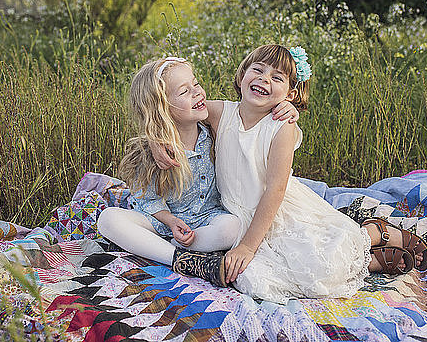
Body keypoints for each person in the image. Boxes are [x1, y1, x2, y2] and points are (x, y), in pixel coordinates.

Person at [153, 45, 427, 303]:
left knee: (316, 264)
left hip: (277, 211)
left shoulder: (281, 127)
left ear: (290, 94)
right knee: (252, 279)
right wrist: (155, 141)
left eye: (277, 78)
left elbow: (275, 190)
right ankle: (368, 257)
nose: (264, 80)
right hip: (237, 217)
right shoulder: (219, 112)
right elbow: (176, 111)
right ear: (241, 76)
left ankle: (370, 237)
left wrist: (249, 247)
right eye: (258, 70)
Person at [97, 57, 299, 287]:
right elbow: (147, 198)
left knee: (231, 229)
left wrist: (288, 106)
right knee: (108, 219)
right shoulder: (155, 150)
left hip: (206, 220)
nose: (198, 93)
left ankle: (153, 246)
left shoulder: (212, 130)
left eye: (196, 84)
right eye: (185, 91)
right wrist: (171, 221)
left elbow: (252, 112)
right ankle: (178, 259)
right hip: (163, 221)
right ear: (162, 107)